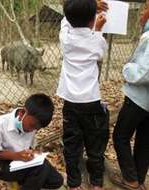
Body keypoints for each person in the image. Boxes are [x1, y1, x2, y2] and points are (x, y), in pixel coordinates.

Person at [56, 0, 109, 189]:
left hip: (70, 103)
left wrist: (88, 7)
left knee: (72, 145)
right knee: (95, 144)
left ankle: (74, 183)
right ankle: (96, 183)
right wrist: (98, 28)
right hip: (92, 102)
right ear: (92, 20)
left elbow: (66, 20)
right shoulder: (97, 40)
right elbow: (99, 53)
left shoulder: (65, 39)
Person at [0, 93, 64, 190]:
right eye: (32, 126)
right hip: (3, 165)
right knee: (41, 169)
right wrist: (17, 155)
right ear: (22, 113)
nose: (32, 130)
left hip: (23, 162)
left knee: (57, 180)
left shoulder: (32, 123)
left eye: (36, 128)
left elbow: (30, 147)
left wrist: (33, 152)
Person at [112, 3, 149, 190]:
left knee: (120, 136)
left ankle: (130, 179)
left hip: (139, 98)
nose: (141, 14)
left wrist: (126, 69)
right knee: (144, 139)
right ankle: (139, 178)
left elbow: (144, 72)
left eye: (144, 10)